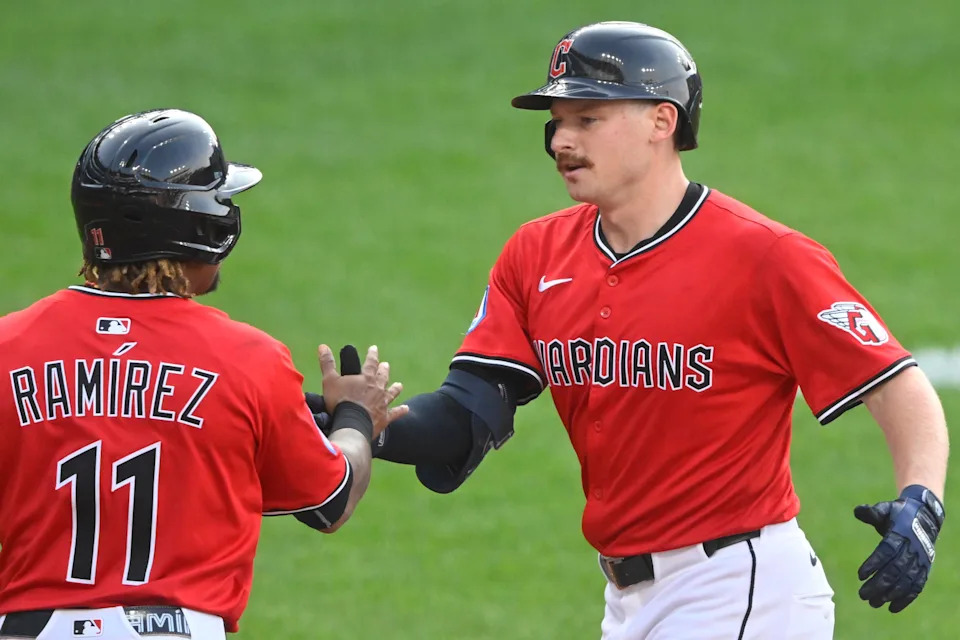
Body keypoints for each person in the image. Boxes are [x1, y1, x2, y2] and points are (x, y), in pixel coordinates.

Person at [362, 21, 949, 639]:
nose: (562, 139)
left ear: (661, 122)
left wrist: (920, 506)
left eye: (587, 118)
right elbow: (461, 421)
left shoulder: (767, 257)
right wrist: (346, 421)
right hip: (628, 605)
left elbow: (897, 383)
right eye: (557, 121)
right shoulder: (535, 256)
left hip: (740, 592)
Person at [0, 109, 406, 640]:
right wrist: (355, 415)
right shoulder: (246, 360)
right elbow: (330, 500)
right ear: (197, 226)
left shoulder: (9, 348)